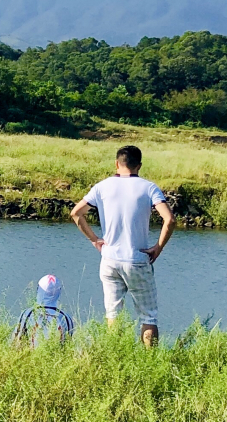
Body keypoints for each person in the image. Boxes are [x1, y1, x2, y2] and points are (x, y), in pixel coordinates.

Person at [70, 145, 174, 347]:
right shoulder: (149, 187)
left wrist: (95, 239)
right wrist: (158, 247)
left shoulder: (102, 186)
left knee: (113, 314)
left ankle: (114, 356)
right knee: (148, 317)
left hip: (109, 260)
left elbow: (76, 213)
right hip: (137, 259)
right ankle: (149, 362)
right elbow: (169, 220)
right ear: (139, 166)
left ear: (117, 164)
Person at [13, 273, 75, 344]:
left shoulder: (28, 314)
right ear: (58, 292)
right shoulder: (66, 318)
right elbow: (68, 345)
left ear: (39, 290)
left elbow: (17, 341)